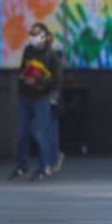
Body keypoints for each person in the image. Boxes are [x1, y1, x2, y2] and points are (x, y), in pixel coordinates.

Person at [9, 23, 62, 181]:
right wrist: (24, 77)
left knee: (40, 133)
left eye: (36, 34)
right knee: (22, 133)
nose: (32, 37)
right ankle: (22, 166)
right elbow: (22, 69)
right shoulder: (28, 50)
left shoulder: (51, 55)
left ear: (45, 36)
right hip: (26, 96)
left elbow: (56, 80)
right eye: (31, 34)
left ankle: (43, 166)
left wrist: (39, 82)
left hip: (42, 98)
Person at [47, 34, 65, 174]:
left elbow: (56, 84)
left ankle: (52, 160)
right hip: (41, 97)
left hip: (51, 99)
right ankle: (52, 159)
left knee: (51, 130)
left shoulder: (53, 59)